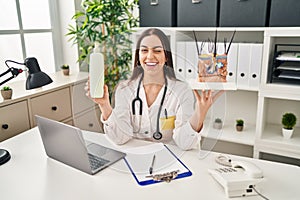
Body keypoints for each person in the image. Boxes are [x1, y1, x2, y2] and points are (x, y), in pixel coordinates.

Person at [86, 28, 223, 150]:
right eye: (144, 50)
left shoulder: (182, 90)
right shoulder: (124, 89)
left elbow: (184, 143)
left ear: (166, 56)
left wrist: (200, 113)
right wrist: (104, 105)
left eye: (157, 51)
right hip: (137, 157)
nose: (150, 56)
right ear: (138, 57)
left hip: (171, 162)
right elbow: (120, 138)